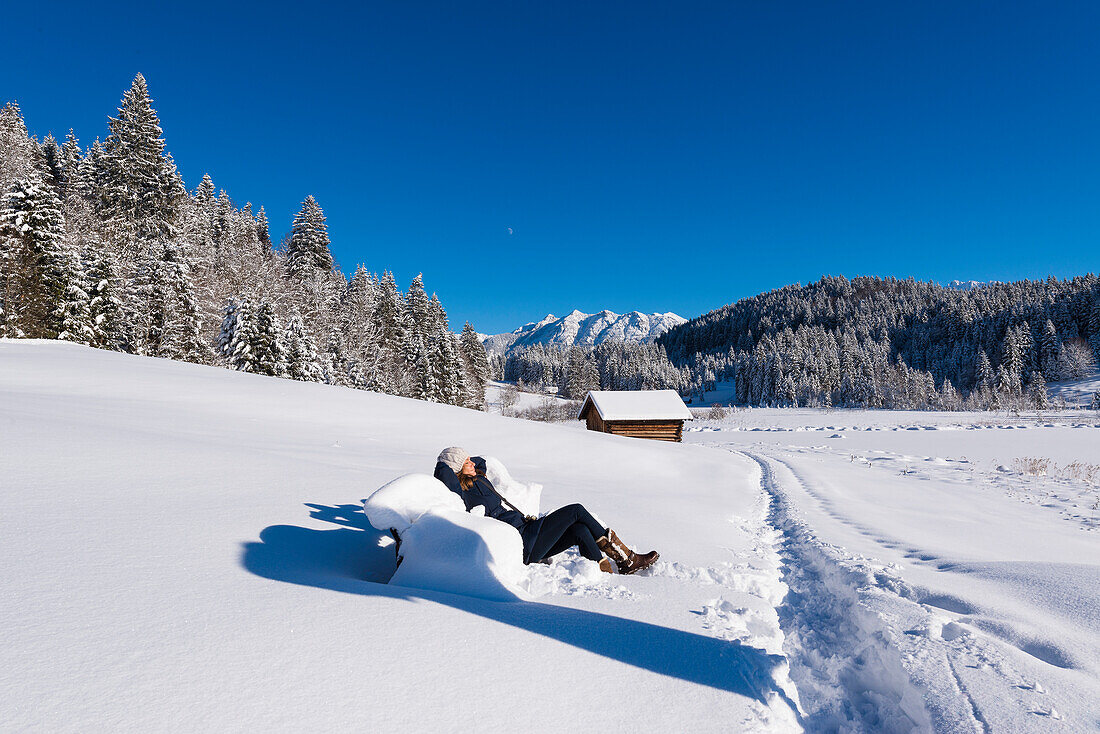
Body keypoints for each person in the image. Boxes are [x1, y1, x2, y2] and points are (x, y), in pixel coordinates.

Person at [433, 446, 659, 574]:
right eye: (466, 463)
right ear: (456, 470)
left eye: (470, 460)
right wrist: (446, 462)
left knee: (579, 529)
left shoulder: (479, 479)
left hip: (527, 529)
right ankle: (627, 559)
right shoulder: (462, 494)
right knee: (576, 510)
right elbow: (444, 473)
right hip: (522, 543)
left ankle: (603, 571)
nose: (472, 463)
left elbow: (481, 462)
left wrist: (464, 459)